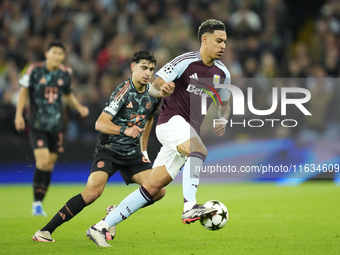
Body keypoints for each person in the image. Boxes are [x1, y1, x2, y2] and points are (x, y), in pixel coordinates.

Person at [86, 19, 231, 247]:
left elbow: (225, 101)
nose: (223, 45)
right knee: (199, 150)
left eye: (225, 41)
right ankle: (190, 206)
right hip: (171, 122)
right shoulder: (185, 62)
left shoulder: (223, 73)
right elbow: (154, 85)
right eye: (219, 40)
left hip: (187, 131)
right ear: (204, 40)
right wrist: (161, 89)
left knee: (153, 189)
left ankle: (101, 226)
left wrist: (222, 118)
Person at [32, 50, 166, 243]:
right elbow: (100, 123)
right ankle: (45, 231)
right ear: (133, 67)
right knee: (93, 192)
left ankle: (114, 215)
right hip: (109, 149)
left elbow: (149, 119)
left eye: (151, 69)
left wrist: (143, 151)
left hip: (132, 153)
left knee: (159, 190)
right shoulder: (123, 92)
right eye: (144, 68)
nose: (148, 73)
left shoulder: (153, 94)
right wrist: (124, 130)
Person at [15, 40, 89, 216]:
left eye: (60, 54)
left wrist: (79, 107)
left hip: (57, 126)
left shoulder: (65, 73)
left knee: (49, 165)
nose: (57, 56)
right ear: (47, 53)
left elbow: (68, 94)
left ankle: (39, 202)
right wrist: (18, 115)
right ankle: (36, 203)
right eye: (54, 52)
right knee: (43, 162)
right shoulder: (34, 69)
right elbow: (24, 91)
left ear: (63, 56)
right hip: (38, 124)